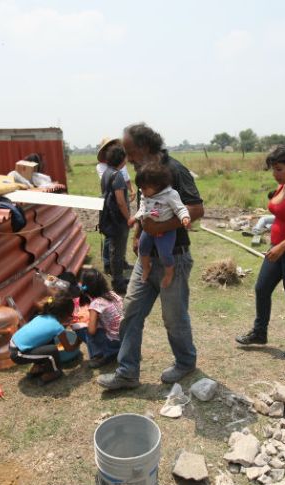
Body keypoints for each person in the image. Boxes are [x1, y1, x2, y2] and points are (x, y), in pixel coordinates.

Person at [97, 123, 204, 390]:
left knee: (173, 317)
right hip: (146, 258)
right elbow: (144, 206)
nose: (127, 157)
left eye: (130, 151)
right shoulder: (143, 172)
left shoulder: (175, 170)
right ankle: (127, 372)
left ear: (144, 147)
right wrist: (137, 235)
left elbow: (196, 208)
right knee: (131, 311)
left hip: (173, 257)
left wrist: (162, 227)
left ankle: (185, 361)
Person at [235, 145, 285, 358]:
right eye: (273, 169)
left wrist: (281, 246)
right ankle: (259, 333)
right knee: (262, 289)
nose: (274, 174)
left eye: (278, 169)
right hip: (278, 251)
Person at [128, 162, 191, 288]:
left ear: (157, 185)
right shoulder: (145, 194)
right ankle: (146, 268)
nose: (142, 191)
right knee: (142, 249)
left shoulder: (170, 195)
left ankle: (169, 272)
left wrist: (185, 217)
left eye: (145, 188)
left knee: (165, 253)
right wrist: (135, 218)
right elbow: (143, 209)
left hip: (166, 232)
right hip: (148, 230)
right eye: (141, 188)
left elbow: (180, 208)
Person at [9, 295, 81, 385]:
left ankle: (37, 368)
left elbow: (50, 328)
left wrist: (65, 323)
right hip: (18, 354)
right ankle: (52, 373)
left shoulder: (41, 316)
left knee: (48, 340)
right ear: (65, 314)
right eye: (70, 314)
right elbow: (69, 349)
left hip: (14, 343)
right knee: (52, 350)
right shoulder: (57, 327)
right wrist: (78, 340)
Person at [96, 138, 135, 272]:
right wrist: (128, 217)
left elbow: (126, 179)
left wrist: (131, 189)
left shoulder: (112, 170)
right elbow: (119, 199)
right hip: (114, 210)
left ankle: (118, 264)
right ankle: (113, 271)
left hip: (115, 205)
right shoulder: (111, 172)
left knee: (118, 241)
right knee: (114, 240)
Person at [73, 268, 124, 369]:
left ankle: (102, 355)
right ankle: (117, 350)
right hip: (125, 336)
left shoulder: (96, 304)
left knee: (81, 328)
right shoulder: (112, 294)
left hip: (115, 341)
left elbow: (91, 331)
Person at [100, 144, 132, 294]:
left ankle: (118, 277)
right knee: (117, 251)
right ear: (121, 158)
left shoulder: (107, 172)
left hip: (109, 217)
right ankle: (118, 282)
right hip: (118, 220)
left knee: (115, 249)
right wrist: (129, 218)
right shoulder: (117, 176)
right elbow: (120, 201)